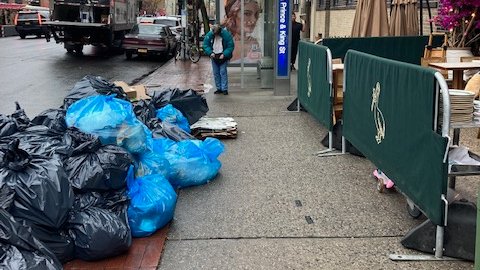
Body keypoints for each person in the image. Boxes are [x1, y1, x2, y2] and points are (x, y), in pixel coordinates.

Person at [203, 24, 235, 95]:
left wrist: (224, 54)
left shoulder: (226, 35)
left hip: (222, 55)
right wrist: (210, 52)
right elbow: (205, 44)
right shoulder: (210, 34)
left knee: (223, 72)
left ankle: (224, 88)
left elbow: (230, 45)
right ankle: (219, 88)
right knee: (216, 73)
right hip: (214, 55)